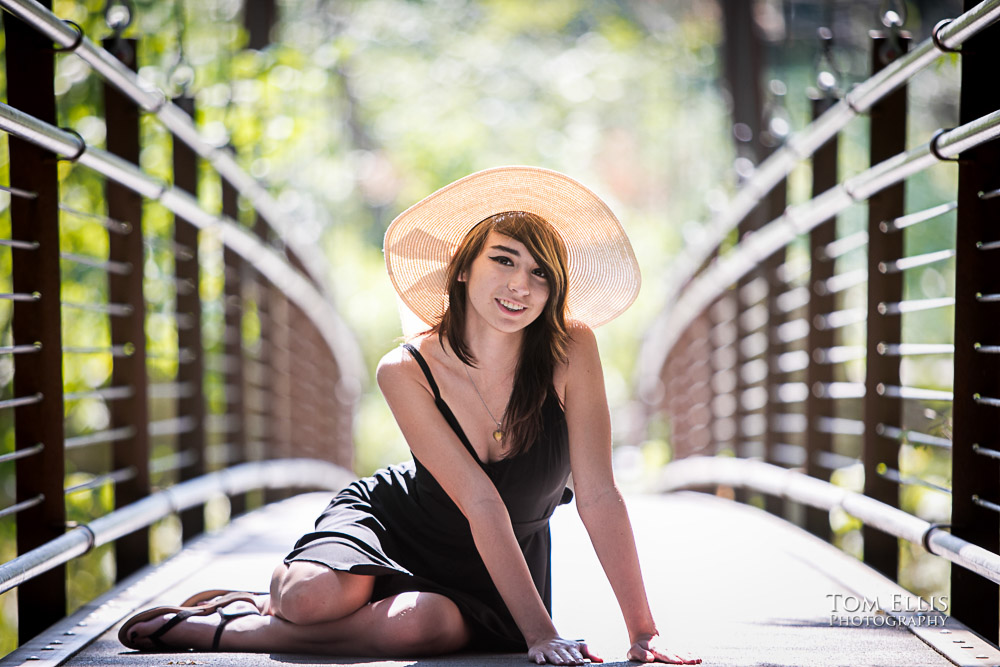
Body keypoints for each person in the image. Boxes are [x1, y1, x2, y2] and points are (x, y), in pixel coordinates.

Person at [118, 166, 701, 665]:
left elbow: (598, 494)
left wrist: (642, 631)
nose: (520, 285)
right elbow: (479, 500)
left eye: (540, 273)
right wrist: (542, 634)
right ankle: (265, 607)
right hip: (398, 522)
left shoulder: (571, 348)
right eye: (503, 260)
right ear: (465, 268)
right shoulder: (406, 367)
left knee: (423, 626)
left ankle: (239, 632)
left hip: (497, 565)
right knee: (311, 599)